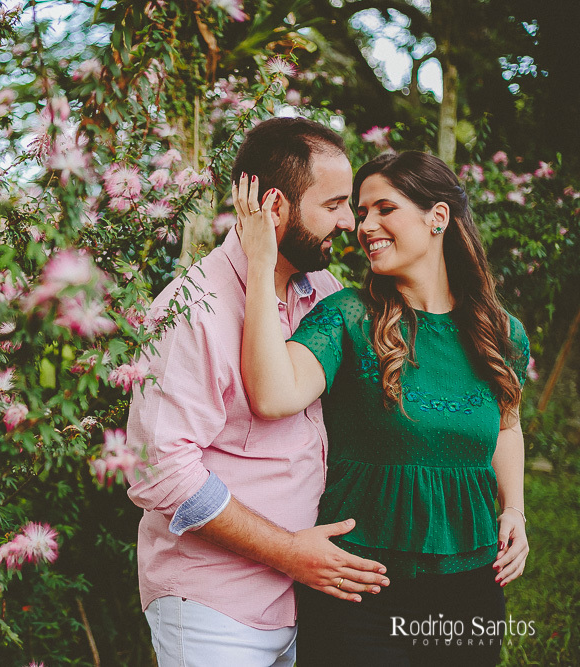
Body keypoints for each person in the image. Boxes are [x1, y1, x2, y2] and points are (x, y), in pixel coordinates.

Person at [233, 150, 531, 665]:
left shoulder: (501, 333)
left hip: (471, 589)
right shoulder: (348, 316)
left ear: (438, 217)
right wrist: (260, 265)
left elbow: (506, 426)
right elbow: (272, 394)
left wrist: (515, 509)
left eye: (384, 209)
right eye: (361, 211)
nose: (365, 225)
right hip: (358, 588)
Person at [126, 117, 390, 667]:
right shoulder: (193, 307)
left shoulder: (324, 292)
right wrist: (289, 552)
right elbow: (161, 471)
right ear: (275, 207)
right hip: (212, 604)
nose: (349, 222)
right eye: (335, 204)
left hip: (299, 600)